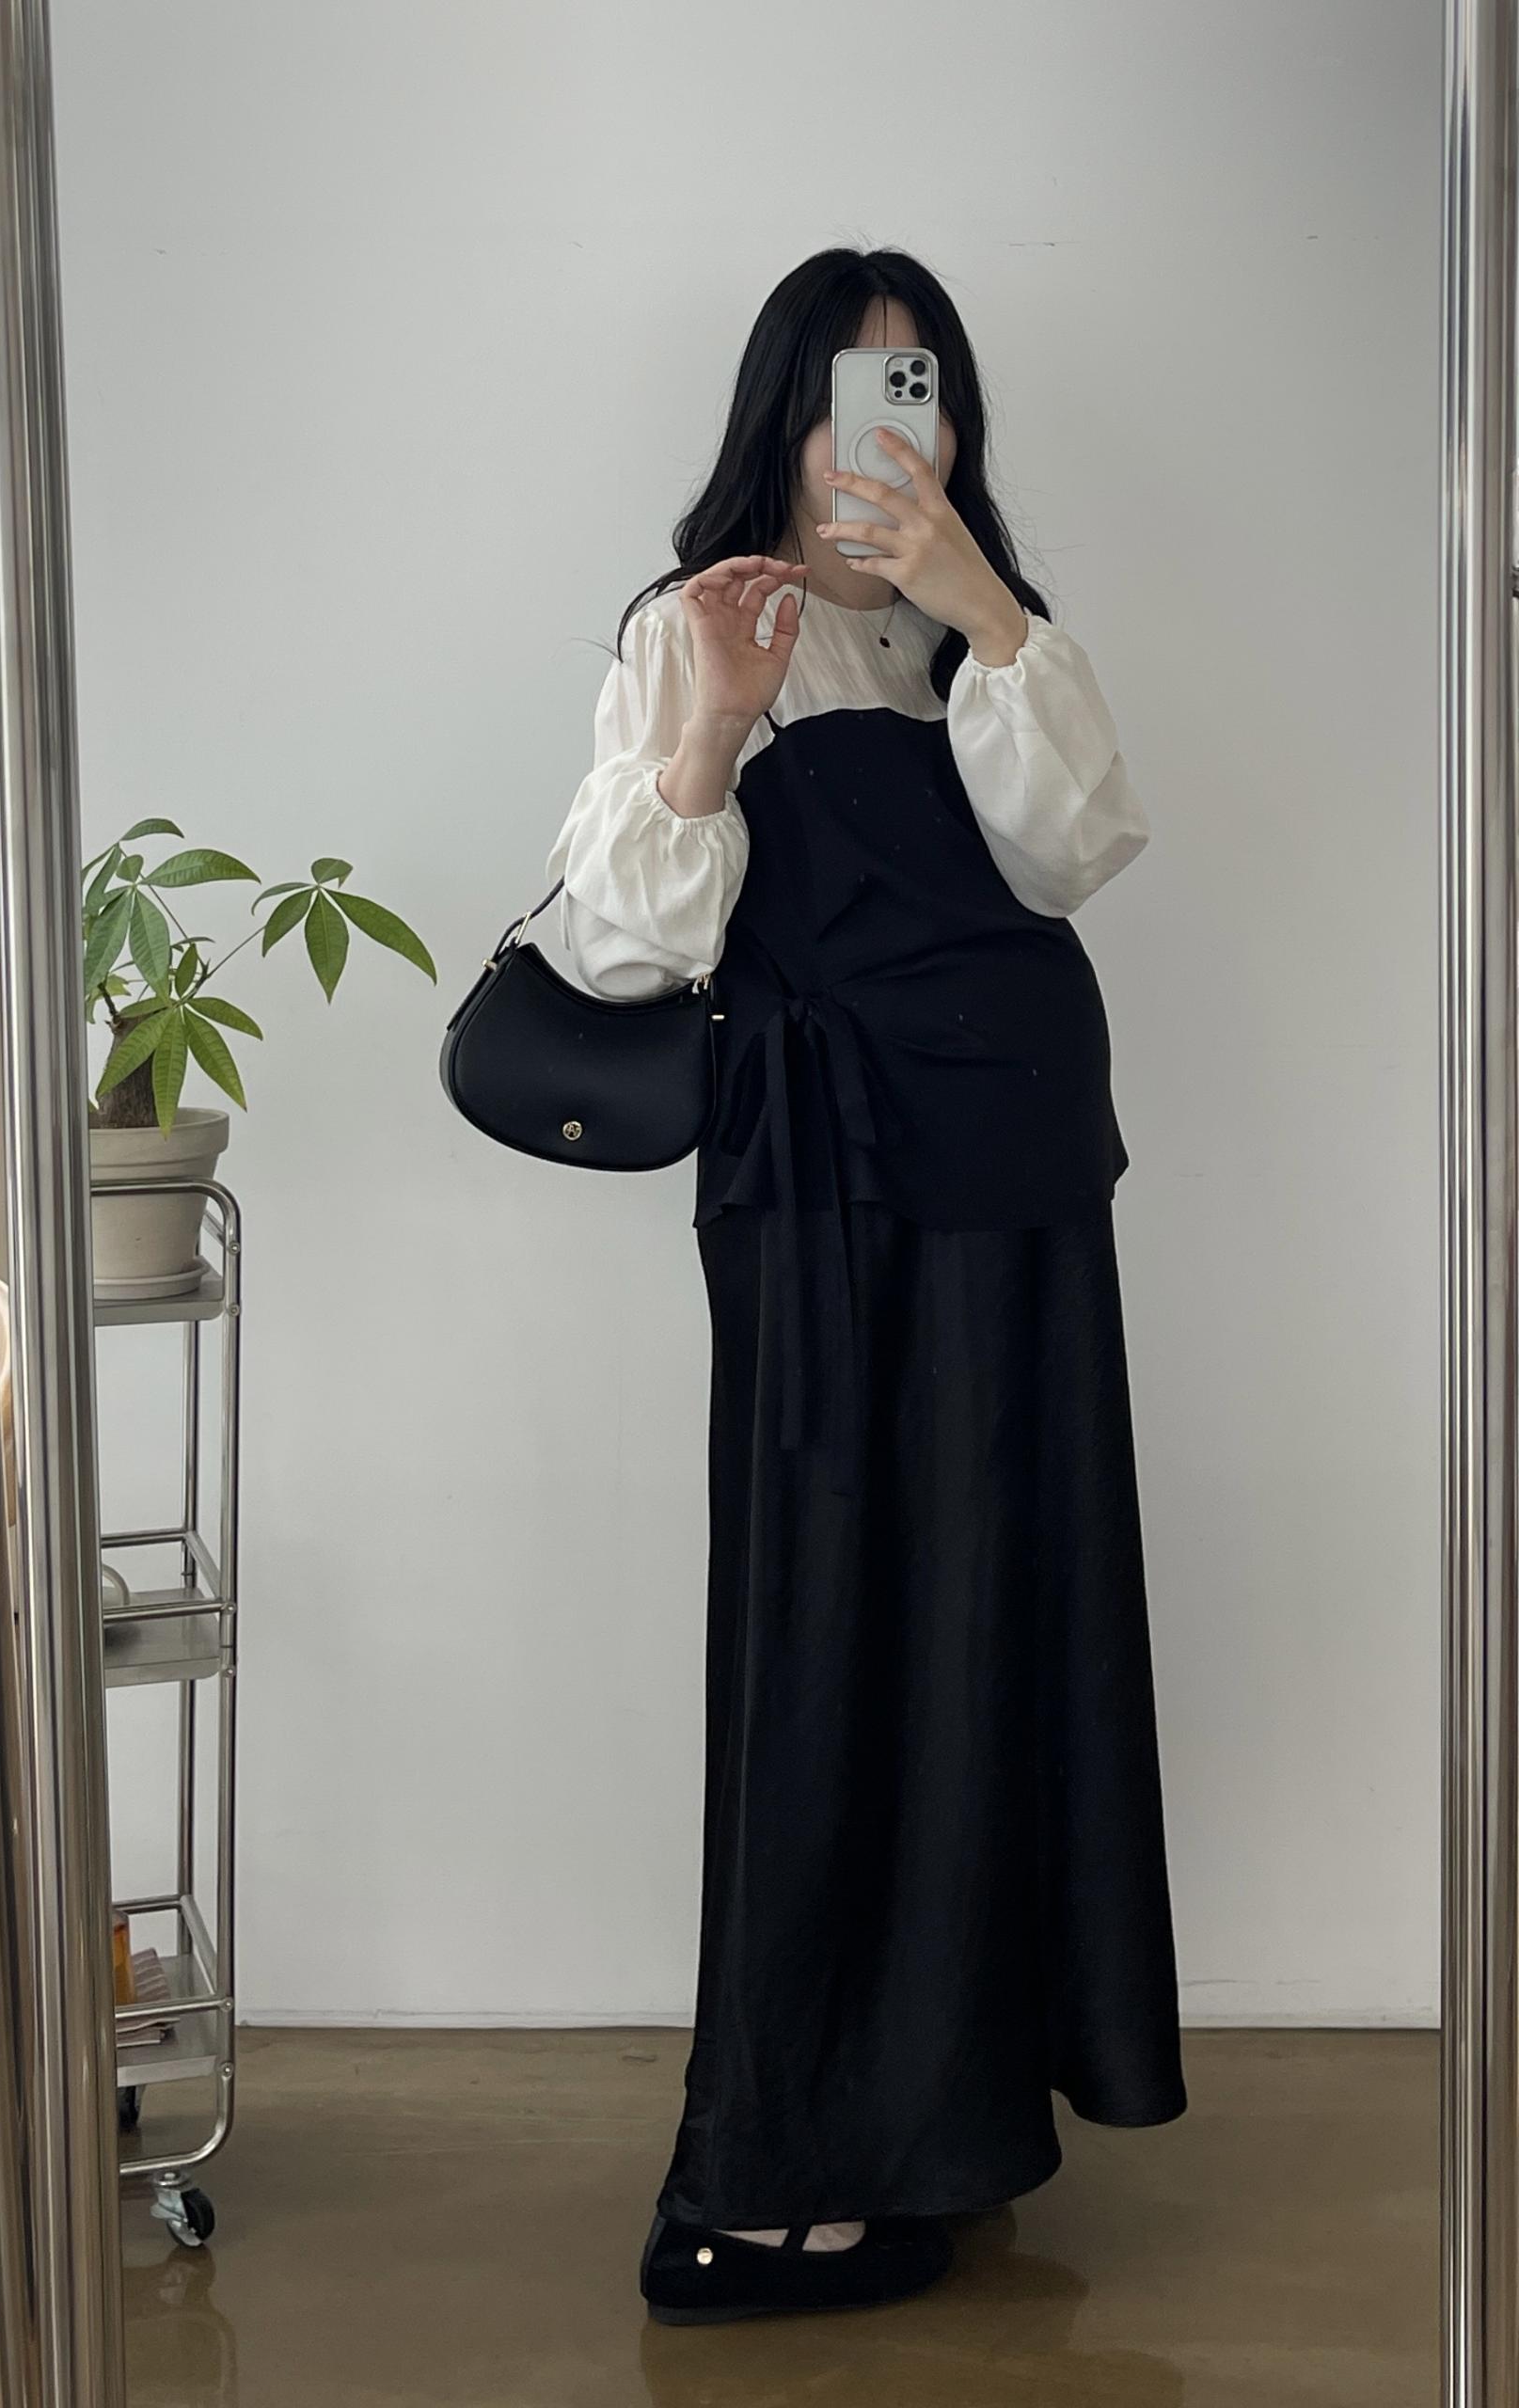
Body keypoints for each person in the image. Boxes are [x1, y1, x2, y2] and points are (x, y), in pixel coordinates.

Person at [544, 246, 1188, 2329]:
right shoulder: (698, 624)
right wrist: (715, 731)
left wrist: (990, 613)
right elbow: (621, 946)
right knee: (828, 1635)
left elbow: (1072, 855)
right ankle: (770, 2173)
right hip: (821, 1200)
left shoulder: (987, 632)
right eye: (846, 391)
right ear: (781, 415)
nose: (879, 436)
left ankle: (945, 2120)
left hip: (1018, 1180)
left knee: (998, 1621)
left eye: (917, 390)